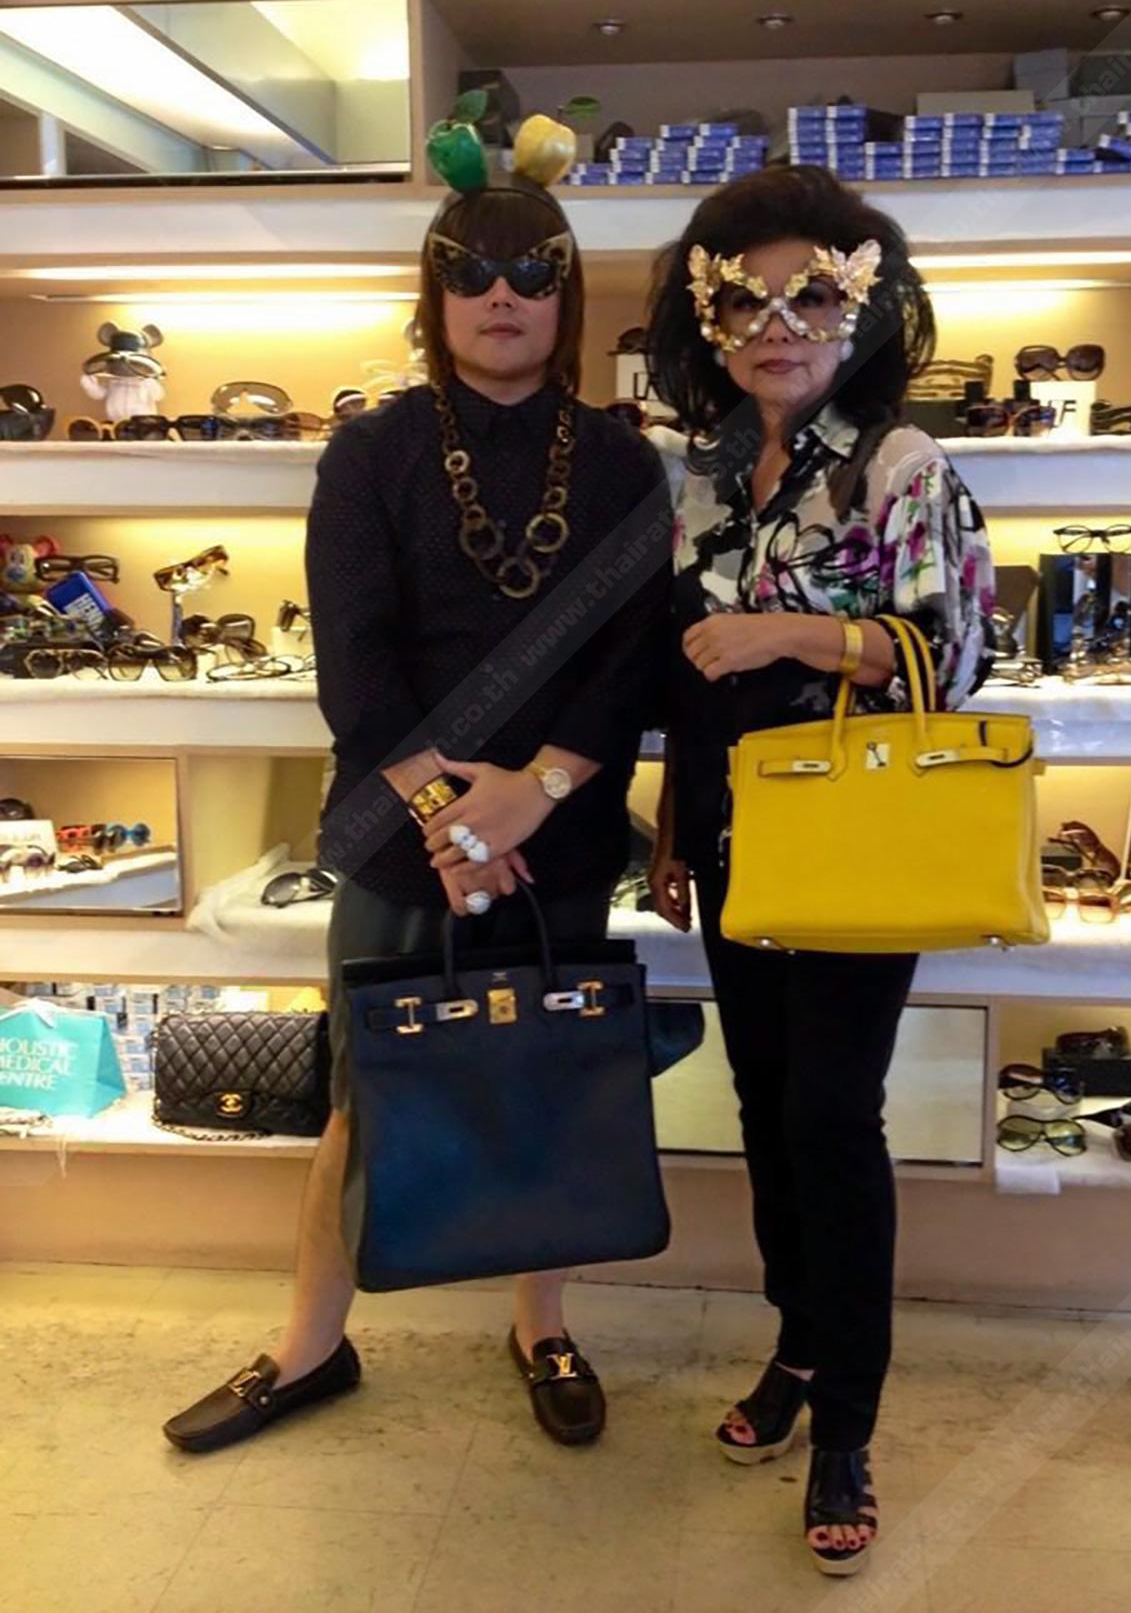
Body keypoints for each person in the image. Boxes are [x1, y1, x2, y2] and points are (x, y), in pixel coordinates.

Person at [163, 123, 672, 1456]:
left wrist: (535, 790)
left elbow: (628, 664)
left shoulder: (622, 464)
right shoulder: (371, 452)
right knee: (363, 1092)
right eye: (471, 271)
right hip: (399, 834)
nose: (502, 294)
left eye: (532, 270)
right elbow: (356, 658)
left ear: (567, 295)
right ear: (435, 293)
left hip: (559, 830)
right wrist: (453, 813)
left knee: (548, 1073)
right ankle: (309, 1344)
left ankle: (540, 1324)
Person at [644, 165, 995, 1576]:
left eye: (809, 297)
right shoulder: (708, 470)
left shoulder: (899, 464)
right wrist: (672, 822)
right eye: (744, 300)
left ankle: (846, 1418)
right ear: (708, 318)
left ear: (862, 305)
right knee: (766, 1107)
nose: (776, 326)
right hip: (734, 834)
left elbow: (951, 658)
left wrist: (789, 633)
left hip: (853, 834)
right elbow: (686, 672)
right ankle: (798, 1343)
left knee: (834, 1116)